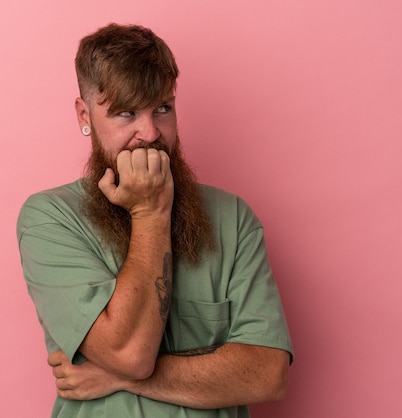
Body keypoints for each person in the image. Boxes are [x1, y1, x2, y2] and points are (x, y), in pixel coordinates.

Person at [17, 23, 293, 417]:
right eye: (126, 113)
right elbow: (128, 352)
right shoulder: (49, 218)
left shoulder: (233, 217)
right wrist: (151, 212)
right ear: (84, 114)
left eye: (162, 108)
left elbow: (267, 375)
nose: (150, 133)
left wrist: (119, 378)